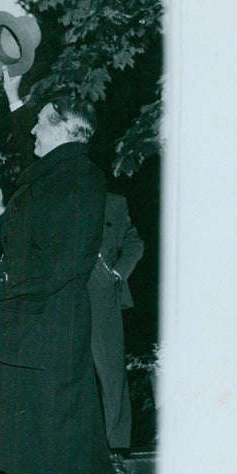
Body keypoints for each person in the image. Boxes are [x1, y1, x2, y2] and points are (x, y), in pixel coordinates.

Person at [0, 66, 121, 474]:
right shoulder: (59, 171)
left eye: (40, 122)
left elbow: (58, 264)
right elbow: (26, 151)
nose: (32, 130)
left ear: (60, 124)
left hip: (50, 344)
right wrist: (12, 92)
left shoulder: (80, 178)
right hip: (36, 340)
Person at [88, 193, 144, 452]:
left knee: (110, 369)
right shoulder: (55, 196)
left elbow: (135, 243)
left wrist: (116, 274)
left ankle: (117, 445)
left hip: (103, 292)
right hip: (66, 290)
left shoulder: (113, 202)